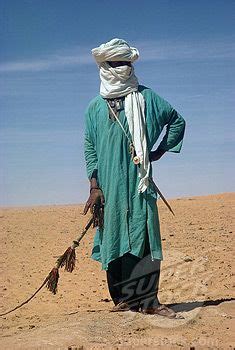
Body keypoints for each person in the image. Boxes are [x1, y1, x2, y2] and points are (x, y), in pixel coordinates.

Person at [83, 38, 186, 318]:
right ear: (106, 66)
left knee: (143, 239)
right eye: (118, 64)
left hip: (139, 184)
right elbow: (90, 146)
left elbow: (176, 120)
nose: (124, 69)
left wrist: (159, 151)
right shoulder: (94, 107)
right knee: (113, 237)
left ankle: (149, 300)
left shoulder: (147, 98)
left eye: (127, 63)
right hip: (109, 187)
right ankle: (124, 299)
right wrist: (94, 186)